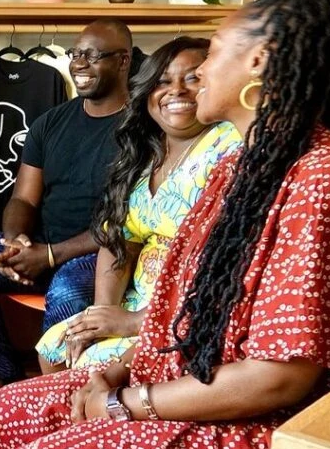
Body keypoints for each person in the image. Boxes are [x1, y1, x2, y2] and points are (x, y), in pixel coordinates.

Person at [0, 0, 330, 449]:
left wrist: (128, 404)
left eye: (212, 53)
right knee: (8, 410)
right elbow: (192, 316)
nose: (199, 71)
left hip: (262, 431)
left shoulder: (319, 179)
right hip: (186, 380)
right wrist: (123, 369)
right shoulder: (237, 168)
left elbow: (278, 378)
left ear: (259, 62)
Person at [0, 20, 133, 386]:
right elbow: (24, 197)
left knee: (65, 290)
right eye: (75, 54)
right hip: (41, 249)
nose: (79, 64)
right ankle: (8, 387)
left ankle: (55, 399)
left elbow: (126, 224)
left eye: (93, 56)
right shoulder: (50, 123)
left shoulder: (140, 128)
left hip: (99, 257)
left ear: (123, 61)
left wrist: (50, 255)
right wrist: (16, 241)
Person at [36, 38, 241, 371]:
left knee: (82, 370)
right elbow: (120, 242)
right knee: (55, 348)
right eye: (162, 81)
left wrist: (134, 322)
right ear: (147, 92)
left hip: (191, 313)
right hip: (135, 302)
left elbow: (226, 265)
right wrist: (104, 315)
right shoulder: (144, 154)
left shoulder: (229, 146)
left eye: (193, 78)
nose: (177, 90)